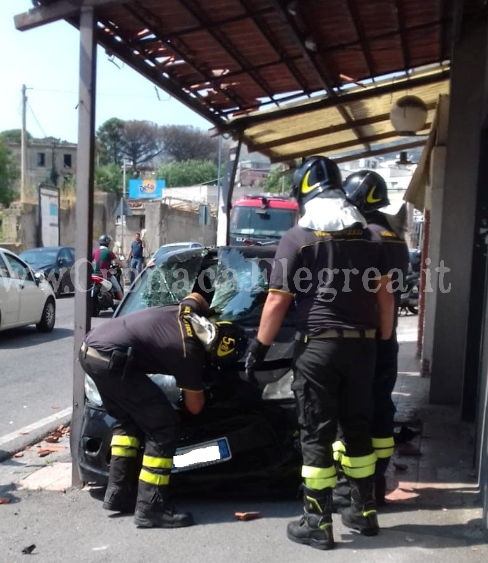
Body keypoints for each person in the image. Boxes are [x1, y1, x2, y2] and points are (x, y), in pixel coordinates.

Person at [244, 156, 394, 550]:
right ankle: (364, 514)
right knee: (357, 428)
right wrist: (381, 341)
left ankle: (317, 522)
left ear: (304, 193)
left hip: (318, 349)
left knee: (317, 434)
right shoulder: (370, 237)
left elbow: (277, 301)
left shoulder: (297, 238)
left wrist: (258, 349)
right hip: (362, 348)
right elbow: (385, 297)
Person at [79, 292, 247, 529]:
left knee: (128, 420)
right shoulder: (190, 354)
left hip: (90, 350)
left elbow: (196, 296)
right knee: (163, 426)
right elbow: (195, 407)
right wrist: (201, 384)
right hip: (113, 361)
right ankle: (152, 508)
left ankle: (119, 493)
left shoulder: (189, 312)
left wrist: (207, 311)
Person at [343, 170, 409, 505]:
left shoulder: (365, 236)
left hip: (362, 338)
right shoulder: (395, 236)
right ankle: (378, 484)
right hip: (389, 336)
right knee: (381, 408)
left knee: (353, 413)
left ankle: (356, 489)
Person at [92, 234, 123, 300]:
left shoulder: (95, 252)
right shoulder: (109, 252)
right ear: (107, 242)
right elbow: (118, 262)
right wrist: (123, 265)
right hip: (106, 275)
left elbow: (90, 261)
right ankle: (123, 305)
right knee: (118, 287)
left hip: (95, 275)